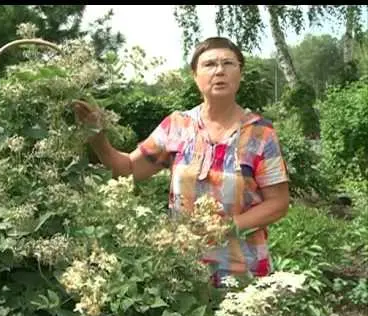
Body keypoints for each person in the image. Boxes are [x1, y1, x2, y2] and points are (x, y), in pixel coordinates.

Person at [72, 37, 290, 287]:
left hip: (244, 274)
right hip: (183, 271)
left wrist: (227, 227)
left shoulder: (260, 133)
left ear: (240, 73)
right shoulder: (177, 126)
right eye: (209, 64)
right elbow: (127, 170)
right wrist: (96, 135)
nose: (219, 70)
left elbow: (278, 203)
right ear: (195, 76)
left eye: (228, 63)